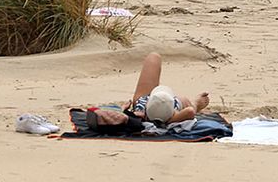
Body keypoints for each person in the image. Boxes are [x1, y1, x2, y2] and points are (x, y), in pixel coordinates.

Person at [83, 53, 213, 132]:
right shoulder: (173, 115)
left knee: (153, 57)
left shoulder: (139, 114)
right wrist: (193, 106)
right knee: (185, 101)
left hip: (143, 99)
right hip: (161, 105)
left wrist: (124, 108)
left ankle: (158, 95)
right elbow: (190, 111)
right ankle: (197, 102)